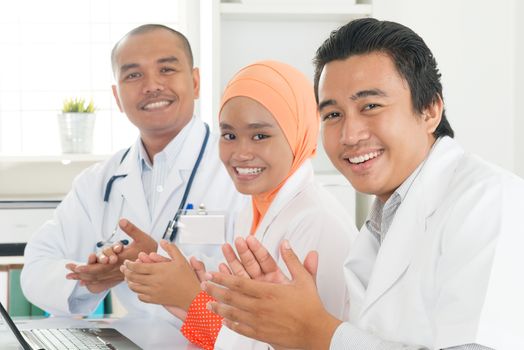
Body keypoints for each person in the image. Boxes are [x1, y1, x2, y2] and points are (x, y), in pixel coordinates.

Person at [201, 18, 524, 350]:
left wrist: (315, 332)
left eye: (370, 106)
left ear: (430, 109)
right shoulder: (380, 220)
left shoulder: (490, 201)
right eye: (332, 115)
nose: (349, 135)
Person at [120, 60, 358, 349]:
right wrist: (197, 299)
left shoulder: (316, 221)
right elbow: (247, 334)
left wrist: (190, 297)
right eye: (229, 135)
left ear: (298, 134)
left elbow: (306, 342)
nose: (241, 153)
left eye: (260, 136)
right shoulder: (253, 211)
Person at [20, 24, 244, 323]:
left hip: (217, 337)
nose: (151, 85)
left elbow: (256, 283)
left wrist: (156, 261)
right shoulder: (99, 183)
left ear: (195, 81)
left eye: (166, 69)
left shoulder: (239, 167)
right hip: (134, 337)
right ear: (117, 96)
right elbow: (36, 266)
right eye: (133, 75)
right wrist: (93, 280)